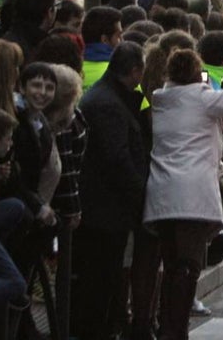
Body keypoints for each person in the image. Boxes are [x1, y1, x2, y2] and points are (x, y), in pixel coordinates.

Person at [143, 37, 223, 340]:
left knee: (171, 264)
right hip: (194, 196)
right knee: (188, 266)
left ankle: (167, 325)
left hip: (161, 194)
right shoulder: (204, 99)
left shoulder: (159, 101)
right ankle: (175, 329)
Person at [72, 41, 149, 340]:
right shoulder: (107, 104)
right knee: (99, 277)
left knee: (107, 275)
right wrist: (140, 193)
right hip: (103, 210)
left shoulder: (114, 97)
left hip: (109, 209)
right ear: (133, 71)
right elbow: (116, 158)